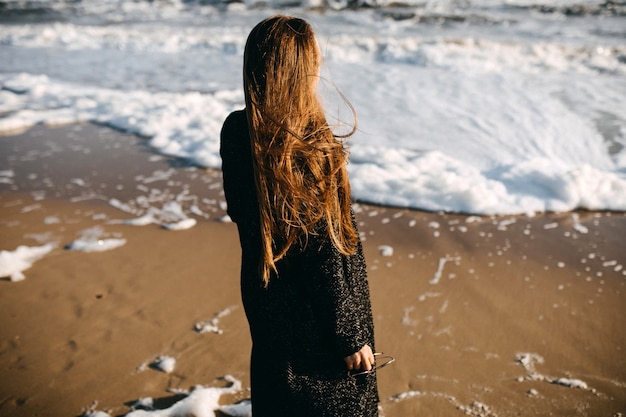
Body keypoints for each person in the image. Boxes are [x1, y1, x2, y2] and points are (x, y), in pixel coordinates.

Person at [220, 15, 379, 417]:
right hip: (320, 324)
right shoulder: (311, 142)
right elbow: (323, 252)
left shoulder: (239, 132)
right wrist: (350, 336)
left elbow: (244, 216)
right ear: (303, 71)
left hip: (267, 301)